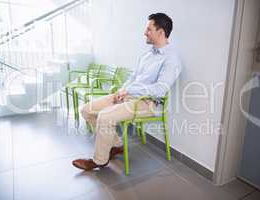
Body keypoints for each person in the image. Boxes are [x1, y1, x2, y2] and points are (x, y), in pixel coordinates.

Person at [72, 13, 182, 171]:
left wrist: (130, 90)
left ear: (161, 32)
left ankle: (100, 160)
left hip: (148, 103)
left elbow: (160, 89)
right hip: (129, 96)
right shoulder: (147, 55)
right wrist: (122, 90)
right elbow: (133, 77)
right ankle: (116, 145)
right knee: (87, 110)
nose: (145, 32)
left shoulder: (172, 59)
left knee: (104, 116)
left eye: (149, 29)